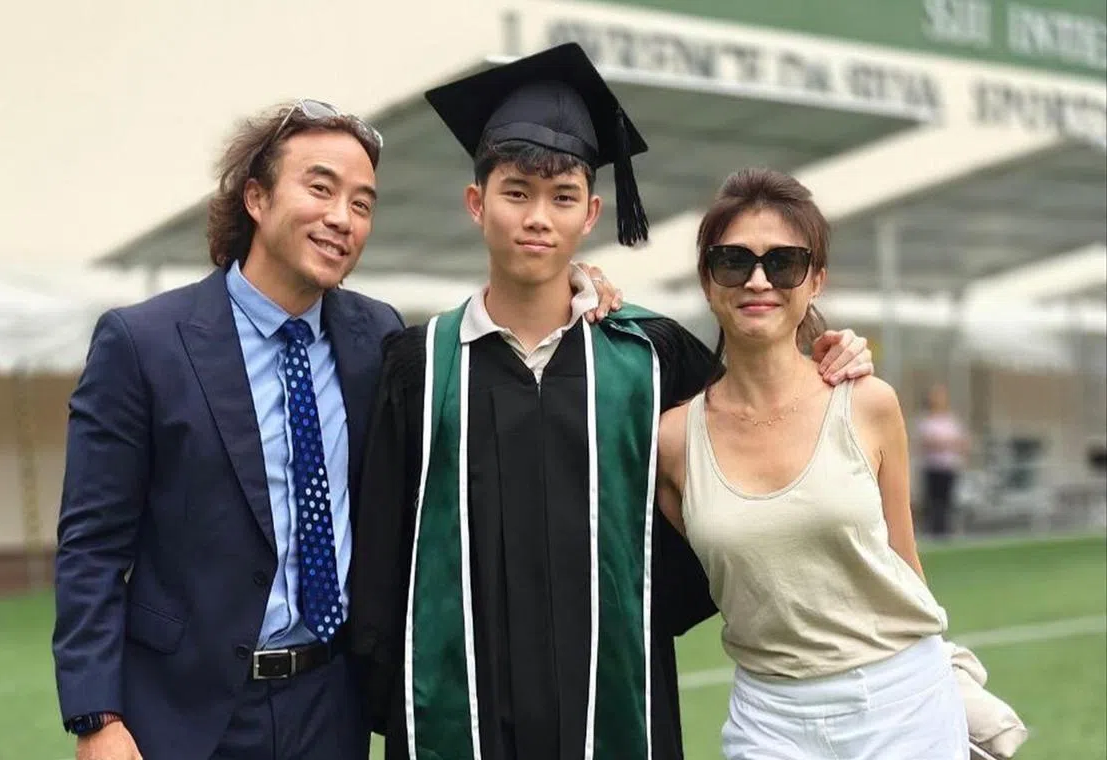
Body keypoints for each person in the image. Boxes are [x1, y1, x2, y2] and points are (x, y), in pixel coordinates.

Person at [348, 44, 875, 760]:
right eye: (515, 193)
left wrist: (830, 357)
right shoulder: (420, 365)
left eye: (562, 196)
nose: (539, 217)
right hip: (461, 716)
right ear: (477, 203)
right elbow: (382, 555)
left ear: (591, 213)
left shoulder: (646, 358)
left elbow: (756, 407)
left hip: (615, 703)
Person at [53, 100, 401, 760]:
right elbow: (91, 546)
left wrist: (576, 287)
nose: (342, 218)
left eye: (362, 203)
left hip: (332, 706)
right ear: (256, 197)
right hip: (185, 713)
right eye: (320, 188)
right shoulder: (144, 344)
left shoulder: (377, 338)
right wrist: (97, 718)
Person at [655, 168, 969, 760]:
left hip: (902, 704)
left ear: (815, 280)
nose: (757, 281)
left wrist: (944, 683)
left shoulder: (869, 404)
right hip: (768, 719)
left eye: (783, 264)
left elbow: (905, 561)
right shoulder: (672, 441)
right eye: (732, 261)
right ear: (707, 280)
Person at [918, 382, 969, 537]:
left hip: (948, 467)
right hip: (933, 467)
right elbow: (928, 442)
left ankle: (946, 532)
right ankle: (933, 532)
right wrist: (945, 443)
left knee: (947, 502)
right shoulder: (926, 421)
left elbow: (962, 442)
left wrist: (945, 443)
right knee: (933, 502)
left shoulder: (951, 421)